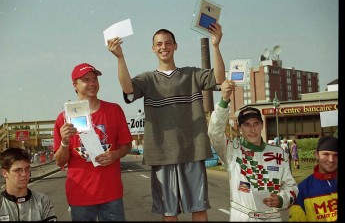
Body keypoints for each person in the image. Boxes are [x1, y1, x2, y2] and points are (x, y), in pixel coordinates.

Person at [107, 23, 225, 221]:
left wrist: (215, 45)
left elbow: (219, 78)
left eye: (168, 43)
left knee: (199, 209)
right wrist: (120, 57)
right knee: (169, 213)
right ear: (153, 48)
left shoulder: (192, 74)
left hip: (192, 151)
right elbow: (128, 89)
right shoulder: (148, 79)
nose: (164, 47)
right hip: (162, 155)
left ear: (175, 46)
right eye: (159, 44)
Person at [208, 80, 298, 221]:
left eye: (256, 124)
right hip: (243, 216)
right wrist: (225, 100)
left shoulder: (278, 153)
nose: (252, 129)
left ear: (262, 125)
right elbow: (214, 132)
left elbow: (291, 186)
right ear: (239, 128)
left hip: (272, 216)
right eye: (247, 125)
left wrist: (282, 199)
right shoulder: (232, 150)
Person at [53, 63, 133, 221]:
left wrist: (115, 154)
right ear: (75, 85)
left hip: (111, 193)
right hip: (81, 195)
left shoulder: (114, 110)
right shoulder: (63, 118)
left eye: (94, 79)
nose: (92, 83)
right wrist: (64, 142)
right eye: (86, 80)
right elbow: (59, 161)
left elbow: (127, 145)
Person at [0, 148, 57, 221]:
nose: (24, 174)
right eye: (17, 170)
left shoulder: (42, 201)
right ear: (5, 173)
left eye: (27, 169)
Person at [289, 136, 338, 221]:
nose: (331, 160)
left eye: (336, 155)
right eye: (326, 154)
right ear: (316, 155)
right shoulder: (302, 190)